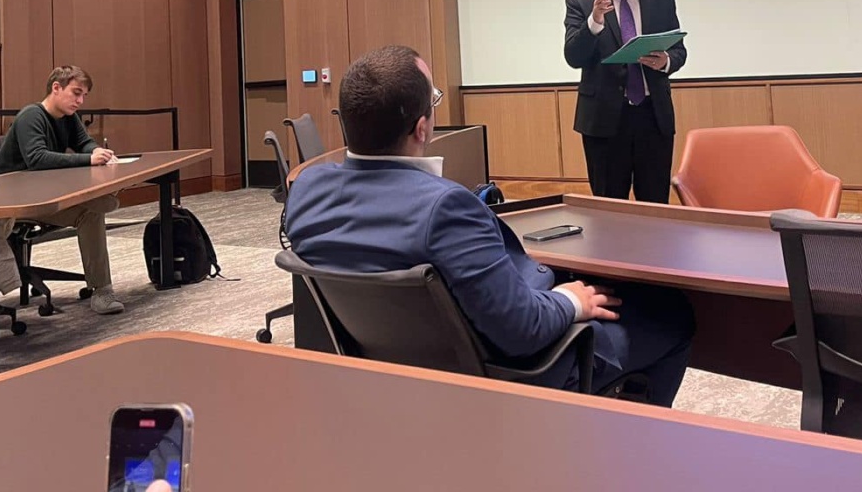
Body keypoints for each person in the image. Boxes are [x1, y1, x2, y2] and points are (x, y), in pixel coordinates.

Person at [286, 45, 693, 405]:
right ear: (422, 128)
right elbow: (522, 330)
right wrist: (571, 301)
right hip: (511, 374)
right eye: (434, 99)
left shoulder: (307, 192)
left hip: (395, 375)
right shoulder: (445, 207)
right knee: (672, 314)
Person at [564, 0, 686, 203]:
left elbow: (679, 50)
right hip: (605, 120)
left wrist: (666, 61)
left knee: (656, 204)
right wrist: (594, 21)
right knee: (609, 204)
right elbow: (574, 57)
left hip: (652, 117)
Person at [0, 65, 124, 314]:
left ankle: (102, 291)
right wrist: (88, 160)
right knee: (101, 204)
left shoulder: (68, 116)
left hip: (44, 195)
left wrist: (96, 150)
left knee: (93, 212)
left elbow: (84, 142)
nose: (80, 101)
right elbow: (37, 158)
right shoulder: (31, 116)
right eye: (76, 93)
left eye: (84, 95)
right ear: (56, 87)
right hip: (15, 202)